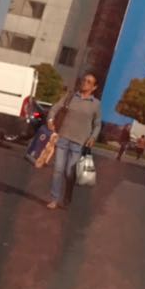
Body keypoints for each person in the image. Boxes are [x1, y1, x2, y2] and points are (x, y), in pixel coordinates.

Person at [48, 73, 102, 210]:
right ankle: (54, 199)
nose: (85, 83)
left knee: (69, 172)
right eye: (84, 80)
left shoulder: (95, 104)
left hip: (79, 143)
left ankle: (67, 196)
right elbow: (55, 108)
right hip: (63, 138)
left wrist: (93, 137)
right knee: (58, 169)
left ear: (94, 87)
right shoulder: (70, 96)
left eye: (89, 82)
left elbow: (97, 124)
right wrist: (50, 120)